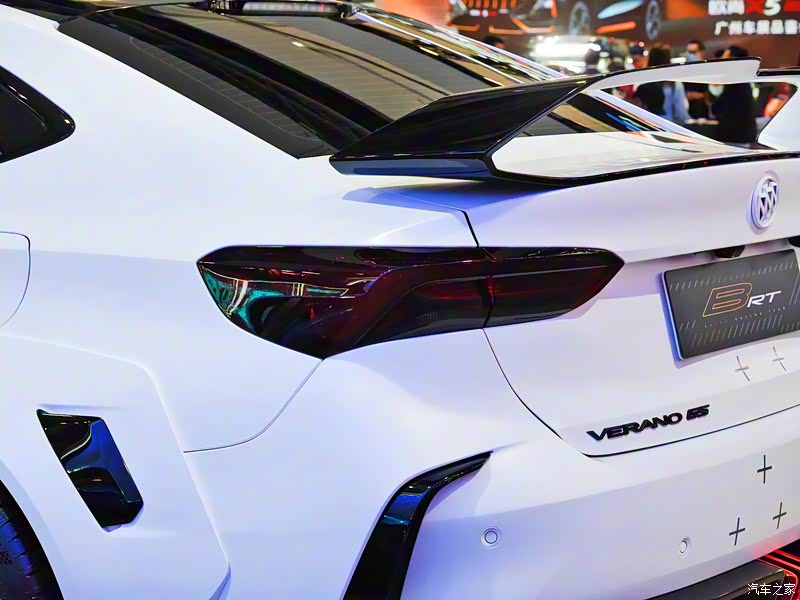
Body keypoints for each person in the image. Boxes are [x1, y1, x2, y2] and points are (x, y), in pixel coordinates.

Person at [633, 44, 690, 125]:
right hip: (668, 126)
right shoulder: (674, 84)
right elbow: (681, 113)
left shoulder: (640, 81)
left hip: (645, 126)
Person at [711, 45, 757, 145]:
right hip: (740, 136)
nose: (721, 61)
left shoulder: (735, 82)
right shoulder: (743, 79)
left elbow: (719, 107)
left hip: (734, 137)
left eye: (725, 57)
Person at [684, 40, 710, 119]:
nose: (690, 55)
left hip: (703, 113)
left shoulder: (709, 70)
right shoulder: (683, 72)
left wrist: (701, 95)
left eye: (693, 52)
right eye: (689, 52)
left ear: (701, 52)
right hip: (687, 113)